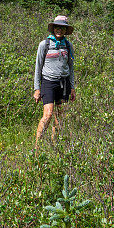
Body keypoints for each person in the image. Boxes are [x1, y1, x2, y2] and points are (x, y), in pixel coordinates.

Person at [33, 15, 76, 147]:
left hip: (64, 83)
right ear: (53, 28)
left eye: (62, 28)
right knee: (48, 114)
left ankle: (54, 145)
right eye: (57, 27)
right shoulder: (44, 44)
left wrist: (72, 87)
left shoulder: (68, 45)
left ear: (65, 30)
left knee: (59, 117)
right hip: (48, 82)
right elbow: (38, 67)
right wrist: (37, 88)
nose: (59, 30)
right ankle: (36, 147)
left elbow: (71, 66)